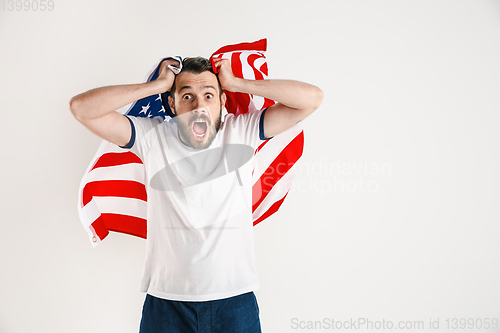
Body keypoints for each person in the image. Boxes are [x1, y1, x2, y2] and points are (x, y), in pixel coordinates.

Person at [70, 56, 323, 332]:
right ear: (172, 103)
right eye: (187, 95)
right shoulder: (151, 137)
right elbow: (81, 108)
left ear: (222, 102)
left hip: (235, 303)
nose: (199, 106)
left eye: (209, 95)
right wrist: (156, 85)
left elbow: (312, 98)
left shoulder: (242, 131)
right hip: (167, 305)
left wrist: (238, 83)